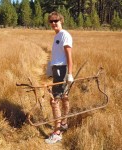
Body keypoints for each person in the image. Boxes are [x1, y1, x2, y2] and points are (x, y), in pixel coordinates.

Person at [45, 11, 74, 144]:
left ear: (61, 20)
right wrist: (50, 68)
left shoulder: (65, 35)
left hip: (62, 71)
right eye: (51, 21)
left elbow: (69, 56)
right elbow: (58, 56)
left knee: (54, 101)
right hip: (57, 69)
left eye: (56, 20)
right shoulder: (57, 35)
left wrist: (70, 74)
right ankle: (63, 123)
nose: (53, 23)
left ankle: (57, 132)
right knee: (63, 97)